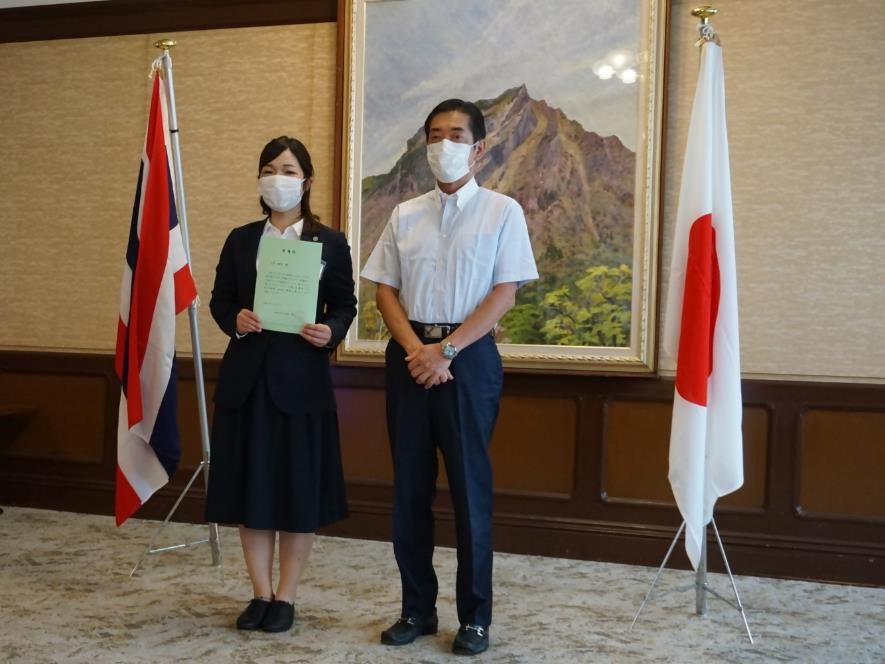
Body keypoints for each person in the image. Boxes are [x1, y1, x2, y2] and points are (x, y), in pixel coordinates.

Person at [361, 99, 538, 656]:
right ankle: (416, 608)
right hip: (410, 357)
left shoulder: (503, 211)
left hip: (469, 360)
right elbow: (384, 289)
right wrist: (418, 349)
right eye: (434, 134)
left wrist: (448, 351)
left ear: (478, 147)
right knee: (409, 491)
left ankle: (475, 618)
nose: (443, 144)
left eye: (456, 134)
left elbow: (504, 292)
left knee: (468, 491)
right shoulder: (405, 214)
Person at [205, 136, 356, 633]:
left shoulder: (329, 242)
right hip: (247, 379)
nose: (279, 178)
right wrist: (236, 319)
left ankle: (287, 597)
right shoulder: (241, 239)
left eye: (289, 170)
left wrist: (330, 331)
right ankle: (260, 594)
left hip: (301, 384)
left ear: (306, 181)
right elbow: (219, 301)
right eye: (270, 169)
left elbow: (344, 306)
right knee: (252, 490)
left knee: (296, 493)